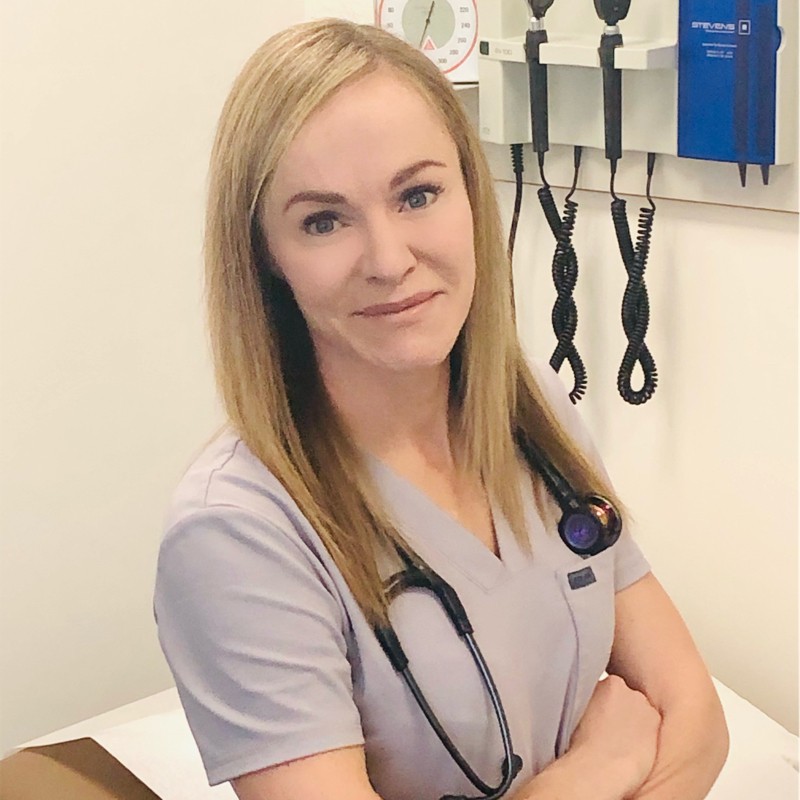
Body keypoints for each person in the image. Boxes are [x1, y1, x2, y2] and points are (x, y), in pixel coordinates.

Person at [154, 18, 728, 800]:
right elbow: (649, 740)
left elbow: (695, 719)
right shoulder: (235, 534)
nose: (389, 260)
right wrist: (599, 771)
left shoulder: (532, 412)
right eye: (323, 221)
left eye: (417, 194)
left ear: (471, 195)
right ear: (266, 256)